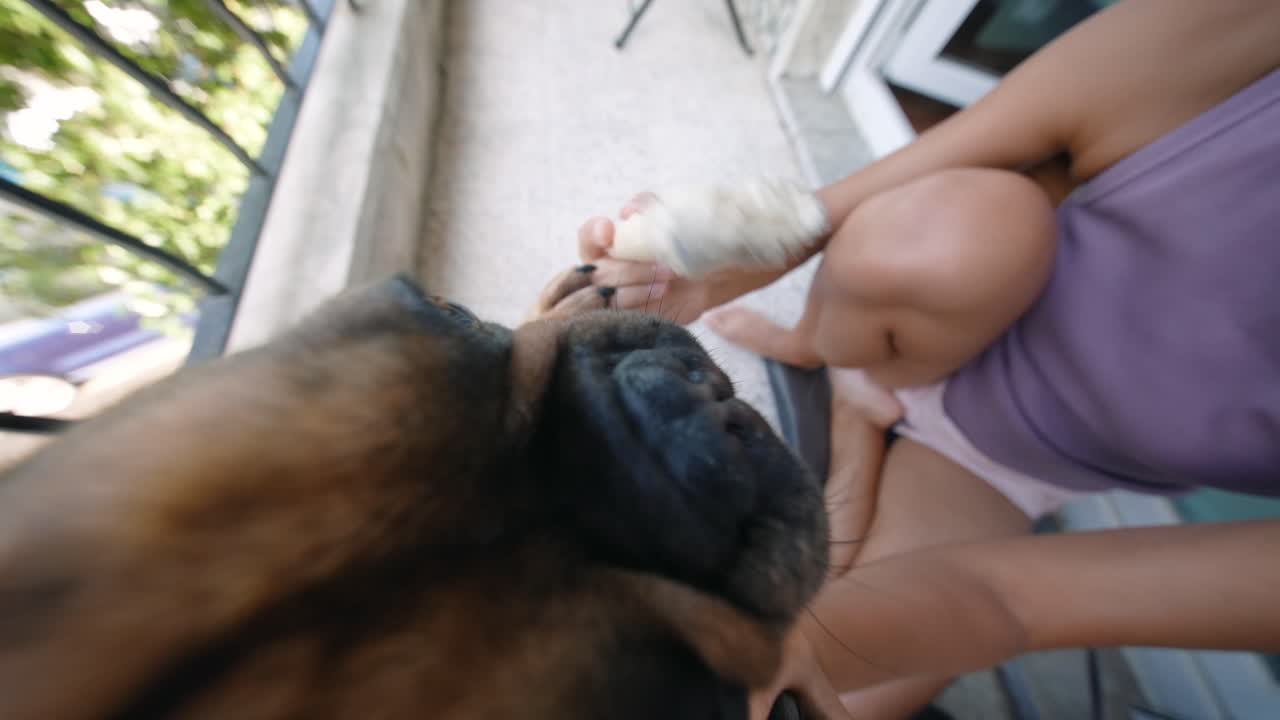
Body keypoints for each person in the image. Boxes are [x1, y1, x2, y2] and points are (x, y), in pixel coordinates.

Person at [541, 0, 1280, 717]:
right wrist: (750, 243)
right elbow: (1026, 120)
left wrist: (764, 660)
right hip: (945, 323)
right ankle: (821, 350)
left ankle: (854, 410)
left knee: (843, 700)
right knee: (967, 232)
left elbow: (1005, 599)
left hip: (1013, 472)